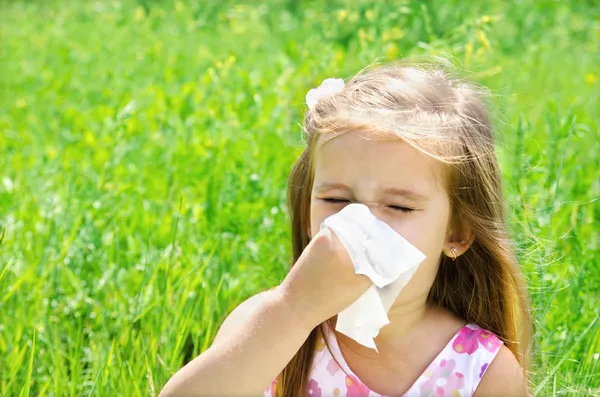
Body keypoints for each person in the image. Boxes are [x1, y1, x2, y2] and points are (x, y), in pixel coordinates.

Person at [159, 61, 532, 397]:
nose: (360, 226)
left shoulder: (478, 370)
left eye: (399, 206)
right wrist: (294, 310)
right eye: (336, 201)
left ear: (457, 234)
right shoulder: (267, 327)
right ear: (308, 211)